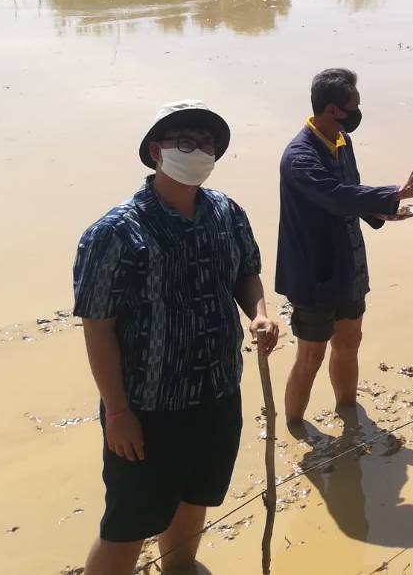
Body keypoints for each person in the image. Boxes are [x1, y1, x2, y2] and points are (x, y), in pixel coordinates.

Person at [73, 101, 278, 575]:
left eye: (207, 144)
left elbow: (245, 273)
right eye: (185, 142)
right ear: (155, 152)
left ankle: (180, 568)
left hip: (218, 391)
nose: (198, 152)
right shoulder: (115, 232)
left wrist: (260, 314)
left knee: (196, 495)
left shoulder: (226, 212)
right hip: (148, 408)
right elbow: (97, 326)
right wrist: (118, 413)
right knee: (128, 522)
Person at [279, 68, 413, 427]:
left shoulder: (341, 141)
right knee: (311, 356)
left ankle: (350, 417)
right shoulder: (299, 157)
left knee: (349, 342)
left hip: (348, 262)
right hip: (313, 271)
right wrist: (397, 192)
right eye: (354, 106)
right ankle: (294, 427)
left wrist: (383, 211)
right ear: (333, 109)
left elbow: (351, 191)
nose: (358, 112)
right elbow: (334, 196)